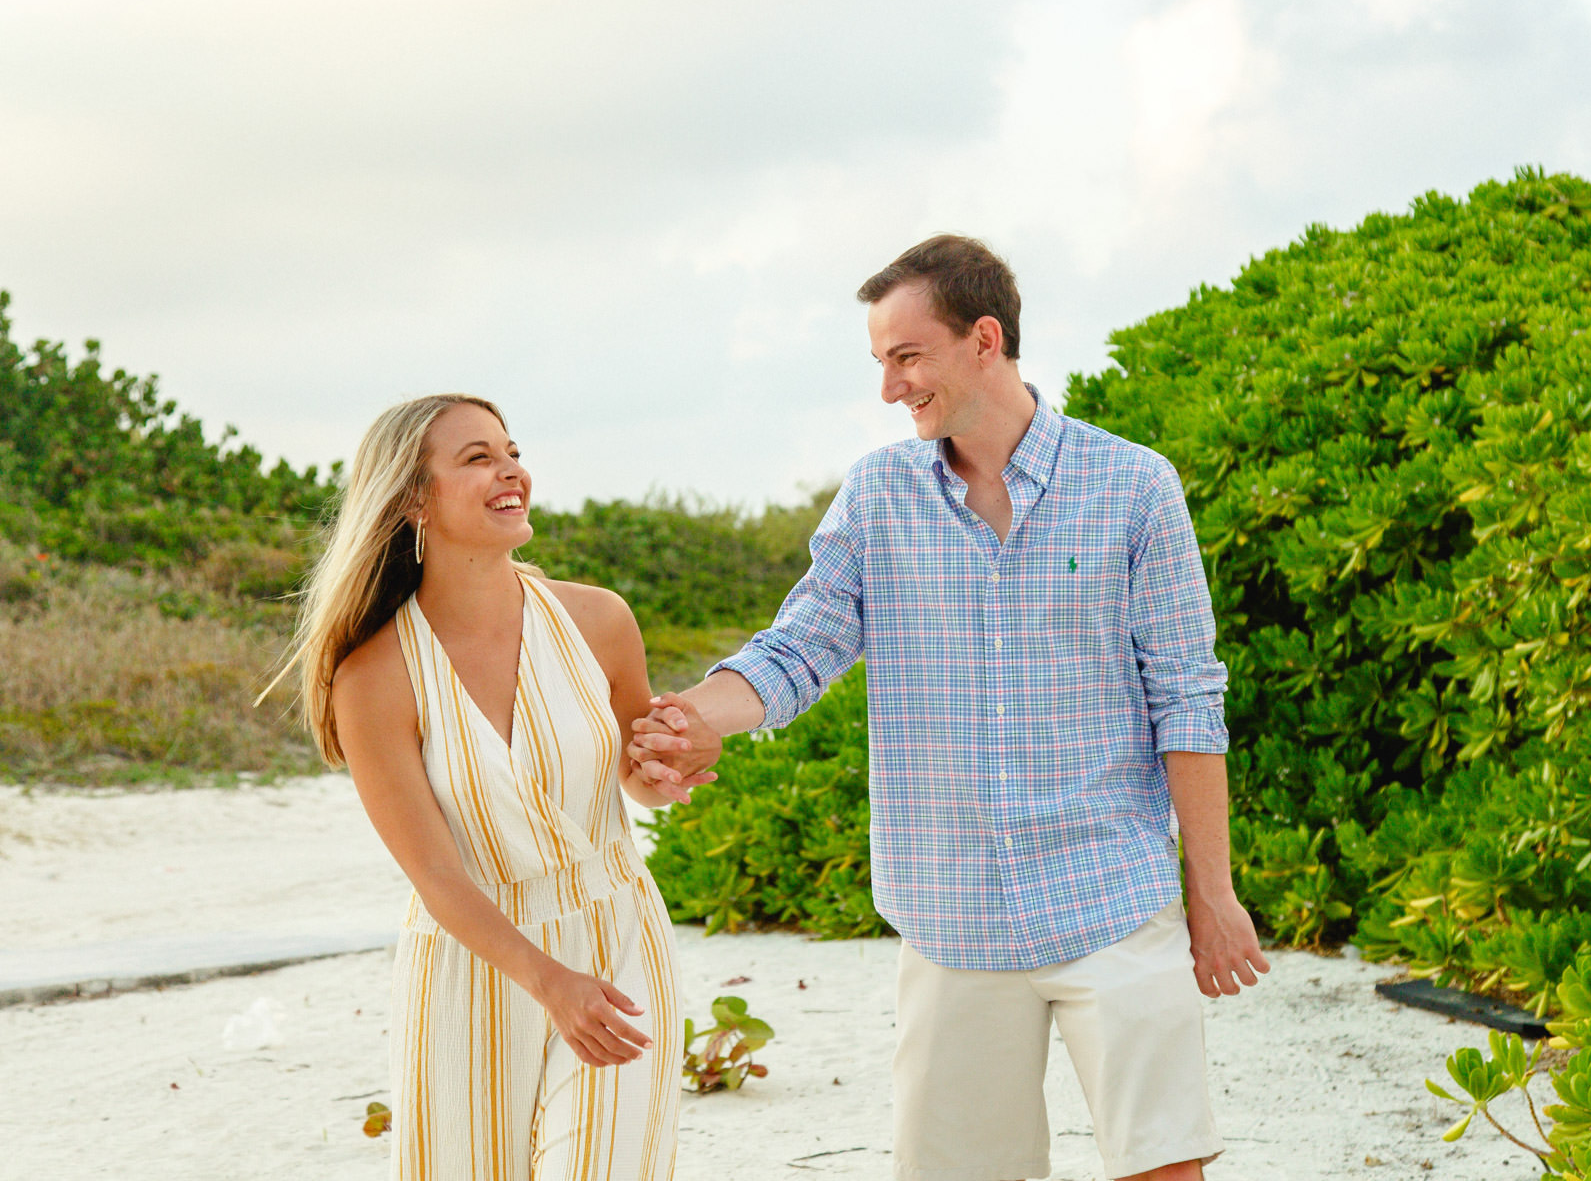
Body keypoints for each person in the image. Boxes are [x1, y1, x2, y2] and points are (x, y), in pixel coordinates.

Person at [630, 236, 1270, 1181]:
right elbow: (798, 649)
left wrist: (1210, 896)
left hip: (1115, 896)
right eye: (881, 363)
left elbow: (1187, 699)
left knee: (1164, 1169)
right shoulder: (879, 497)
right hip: (951, 914)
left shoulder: (1135, 487)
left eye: (907, 356)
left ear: (984, 338)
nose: (891, 388)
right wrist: (693, 717)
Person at [267, 394, 706, 1180]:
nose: (513, 472)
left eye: (511, 451)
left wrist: (665, 774)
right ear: (411, 500)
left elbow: (641, 778)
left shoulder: (599, 620)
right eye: (477, 458)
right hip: (470, 970)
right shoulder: (373, 679)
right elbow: (435, 875)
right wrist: (549, 982)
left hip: (619, 942)